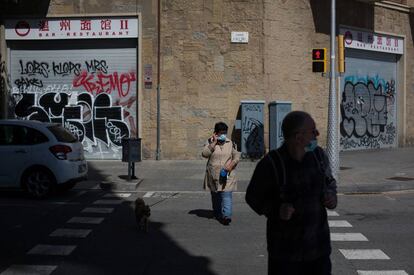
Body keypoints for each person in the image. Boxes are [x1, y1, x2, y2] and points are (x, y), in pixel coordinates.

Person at [245, 111, 337, 275]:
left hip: (318, 251)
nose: (317, 134)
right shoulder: (271, 163)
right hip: (285, 255)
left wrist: (331, 196)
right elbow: (252, 197)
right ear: (298, 137)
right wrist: (276, 209)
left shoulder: (319, 157)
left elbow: (330, 182)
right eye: (312, 131)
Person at [202, 122, 240, 225]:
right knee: (216, 196)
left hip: (227, 174)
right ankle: (217, 213)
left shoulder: (230, 143)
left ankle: (226, 216)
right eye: (221, 133)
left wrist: (232, 164)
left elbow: (236, 156)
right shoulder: (210, 142)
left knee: (226, 195)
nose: (223, 135)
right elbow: (205, 154)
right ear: (216, 133)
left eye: (225, 132)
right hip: (213, 174)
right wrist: (213, 143)